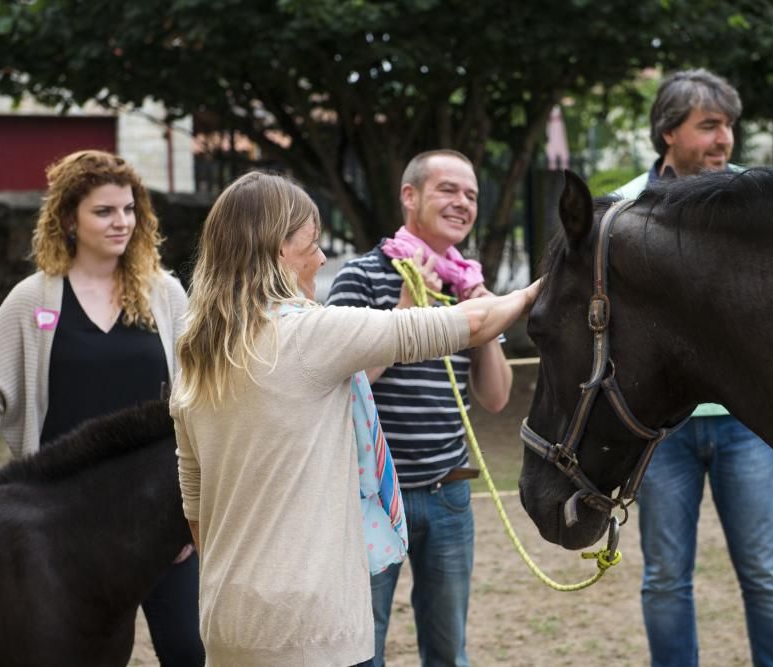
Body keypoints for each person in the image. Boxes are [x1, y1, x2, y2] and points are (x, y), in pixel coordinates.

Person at [170, 170, 537, 667]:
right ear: (279, 250)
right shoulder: (306, 337)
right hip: (313, 626)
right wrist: (546, 284)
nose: (321, 259)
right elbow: (470, 324)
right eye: (312, 244)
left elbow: (195, 504)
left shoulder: (195, 353)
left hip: (228, 621)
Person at [0, 150, 203, 666]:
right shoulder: (32, 299)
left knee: (189, 652)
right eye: (104, 211)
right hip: (60, 527)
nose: (121, 221)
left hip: (157, 514)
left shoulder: (168, 295)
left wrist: (187, 510)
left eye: (129, 209)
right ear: (67, 219)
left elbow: (198, 402)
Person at [614, 69, 773, 667]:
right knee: (666, 577)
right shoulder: (624, 210)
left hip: (747, 421)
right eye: (709, 126)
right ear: (668, 132)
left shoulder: (759, 198)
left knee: (767, 573)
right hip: (659, 429)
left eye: (729, 126)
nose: (725, 140)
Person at [326, 149, 512, 667]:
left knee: (448, 650)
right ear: (410, 196)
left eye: (471, 195)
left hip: (449, 493)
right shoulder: (359, 277)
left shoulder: (463, 287)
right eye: (448, 190)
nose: (462, 203)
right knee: (362, 647)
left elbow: (496, 398)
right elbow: (344, 383)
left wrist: (485, 316)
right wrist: (406, 313)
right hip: (372, 497)